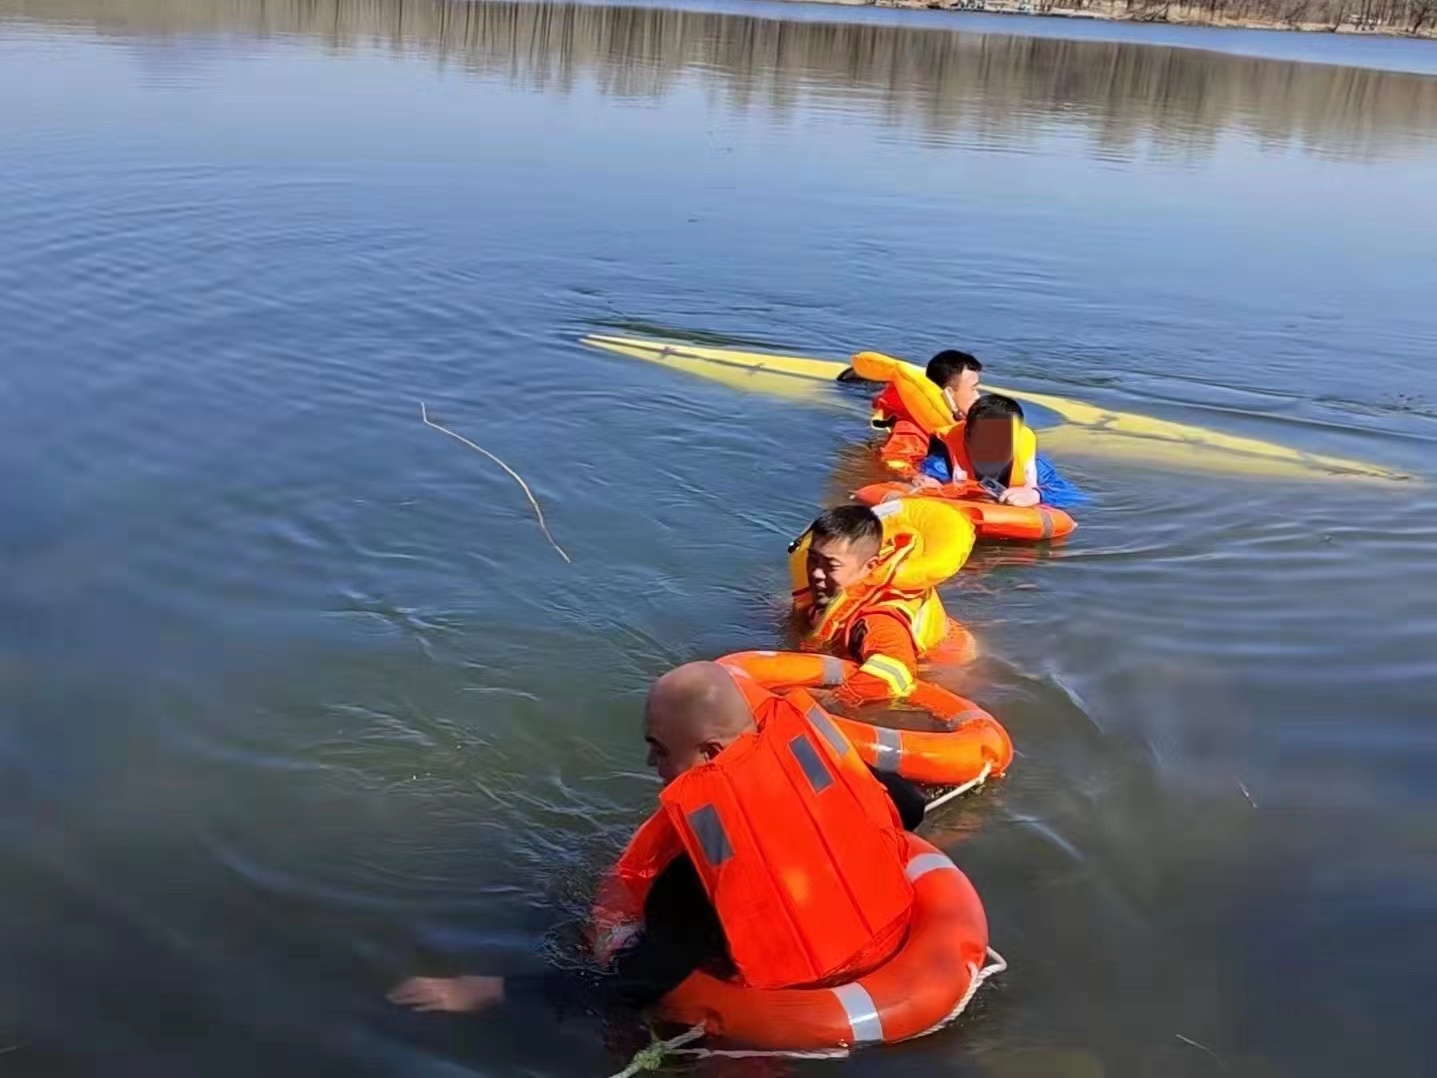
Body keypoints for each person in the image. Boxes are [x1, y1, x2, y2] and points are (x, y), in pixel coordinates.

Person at [389, 662, 925, 1018]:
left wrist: (486, 990)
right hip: (891, 940)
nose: (650, 761)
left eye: (660, 748)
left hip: (800, 1000)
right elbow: (910, 807)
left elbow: (633, 986)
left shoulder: (695, 876)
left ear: (711, 753)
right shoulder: (833, 776)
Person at [793, 505, 972, 710]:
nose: (816, 573)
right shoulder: (833, 589)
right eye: (813, 559)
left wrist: (832, 701)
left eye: (831, 565)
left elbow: (894, 672)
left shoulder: (879, 620)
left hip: (939, 666)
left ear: (870, 566)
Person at [864, 350, 983, 477]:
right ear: (949, 393)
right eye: (973, 389)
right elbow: (895, 463)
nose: (978, 397)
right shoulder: (912, 430)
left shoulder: (963, 420)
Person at [930, 393, 1041, 508]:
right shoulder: (942, 458)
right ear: (967, 437)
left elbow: (1053, 488)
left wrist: (1036, 494)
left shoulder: (1026, 457)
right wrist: (931, 483)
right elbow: (928, 482)